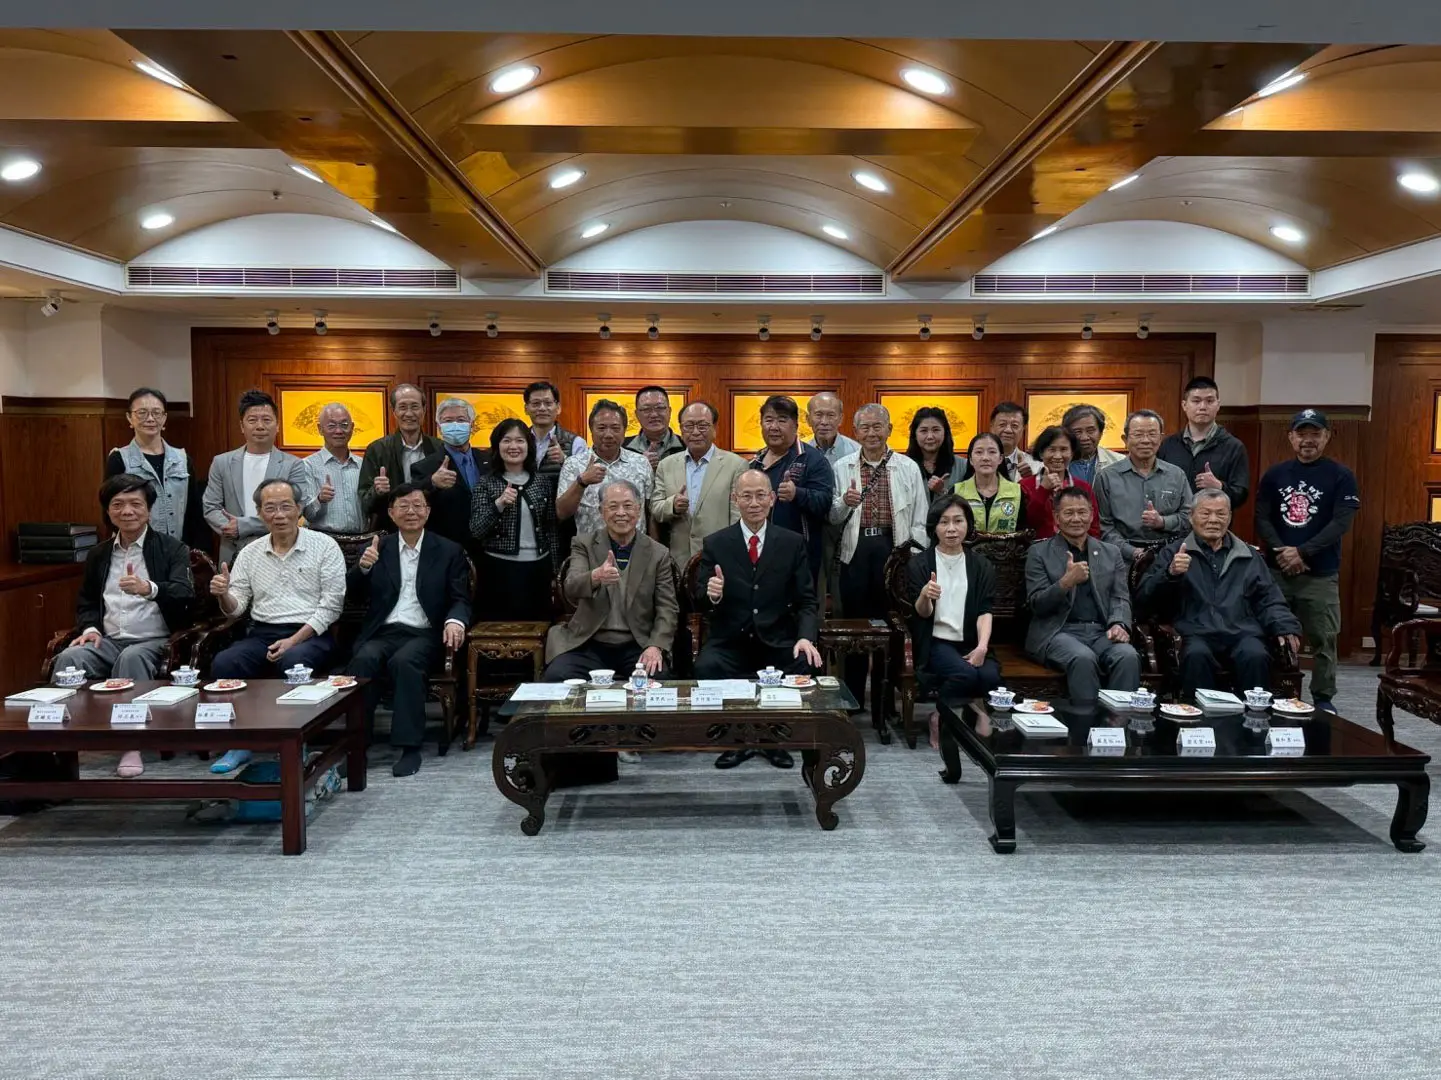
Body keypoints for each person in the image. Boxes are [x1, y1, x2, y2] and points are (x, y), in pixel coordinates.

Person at [53, 475, 195, 779]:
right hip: (108, 640)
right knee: (69, 658)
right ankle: (59, 747)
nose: (127, 511)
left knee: (131, 658)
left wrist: (149, 588)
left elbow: (184, 592)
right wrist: (90, 629)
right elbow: (87, 601)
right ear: (108, 511)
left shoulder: (172, 548)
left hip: (154, 640)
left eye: (135, 504)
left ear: (149, 510)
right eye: (117, 504)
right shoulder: (99, 554)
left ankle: (131, 744)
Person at [207, 478, 347, 773]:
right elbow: (237, 607)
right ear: (260, 514)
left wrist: (293, 641)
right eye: (270, 508)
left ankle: (296, 742)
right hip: (263, 633)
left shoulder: (324, 546)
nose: (279, 515)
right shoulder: (250, 552)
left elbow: (331, 607)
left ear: (299, 508)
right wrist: (223, 595)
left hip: (312, 633)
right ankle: (239, 743)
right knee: (226, 661)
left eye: (286, 506)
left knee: (294, 661)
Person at [695, 471, 824, 770]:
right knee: (706, 666)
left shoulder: (791, 543)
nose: (754, 503)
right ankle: (736, 737)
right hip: (731, 640)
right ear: (735, 500)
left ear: (772, 499)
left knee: (804, 661)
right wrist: (712, 594)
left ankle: (772, 737)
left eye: (760, 495)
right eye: (746, 496)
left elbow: (807, 600)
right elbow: (699, 598)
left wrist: (805, 637)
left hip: (777, 639)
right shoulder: (716, 543)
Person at [346, 483, 471, 777]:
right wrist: (363, 569)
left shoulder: (448, 550)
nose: (411, 511)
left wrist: (455, 621)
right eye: (403, 506)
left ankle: (409, 747)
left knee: (405, 662)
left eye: (417, 505)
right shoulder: (378, 548)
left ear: (428, 511)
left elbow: (460, 598)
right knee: (363, 661)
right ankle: (356, 747)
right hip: (384, 631)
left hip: (424, 632)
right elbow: (353, 595)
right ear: (391, 513)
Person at [1138, 490, 1301, 700]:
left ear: (1230, 517)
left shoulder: (1249, 555)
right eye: (1206, 513)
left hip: (1241, 632)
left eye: (1221, 514)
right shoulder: (1173, 552)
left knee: (1255, 655)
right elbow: (1144, 600)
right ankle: (1199, 718)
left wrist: (1285, 626)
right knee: (1196, 655)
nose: (1213, 520)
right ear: (1191, 517)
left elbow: (1269, 599)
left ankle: (1254, 717)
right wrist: (1170, 574)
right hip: (1195, 632)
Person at [1254, 409, 1360, 712]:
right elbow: (1262, 518)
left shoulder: (1341, 476)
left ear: (1326, 437)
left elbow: (1341, 523)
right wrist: (1283, 551)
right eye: (1302, 434)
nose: (1308, 440)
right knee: (1268, 635)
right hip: (1277, 572)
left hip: (1320, 574)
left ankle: (1323, 698)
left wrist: (1302, 552)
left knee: (1324, 639)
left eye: (1315, 434)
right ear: (1291, 437)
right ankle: (1270, 692)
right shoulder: (1275, 474)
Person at [830, 404, 929, 704]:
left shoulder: (907, 466)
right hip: (855, 551)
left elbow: (920, 517)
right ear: (855, 432)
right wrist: (844, 502)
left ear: (889, 430)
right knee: (856, 627)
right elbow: (832, 517)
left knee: (892, 624)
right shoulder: (842, 466)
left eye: (877, 426)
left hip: (894, 551)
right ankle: (853, 697)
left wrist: (912, 556)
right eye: (865, 427)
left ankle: (886, 701)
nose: (871, 433)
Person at [544, 480, 678, 684]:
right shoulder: (584, 544)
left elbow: (667, 607)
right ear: (601, 511)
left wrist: (655, 646)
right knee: (556, 677)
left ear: (639, 509)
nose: (621, 513)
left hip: (636, 643)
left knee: (658, 679)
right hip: (589, 642)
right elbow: (571, 586)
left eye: (628, 506)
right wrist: (596, 576)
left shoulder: (658, 553)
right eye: (613, 506)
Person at [1024, 487, 1141, 704]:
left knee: (1127, 656)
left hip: (1100, 632)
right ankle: (1085, 721)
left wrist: (1119, 624)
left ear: (1092, 515)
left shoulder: (1110, 552)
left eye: (1082, 512)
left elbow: (1120, 597)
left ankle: (1119, 722)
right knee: (1083, 658)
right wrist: (1065, 583)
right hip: (1058, 632)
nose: (1076, 519)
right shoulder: (1039, 552)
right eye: (1068, 513)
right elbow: (1037, 604)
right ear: (1056, 517)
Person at [905, 494, 1001, 735]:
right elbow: (922, 613)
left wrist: (982, 647)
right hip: (937, 642)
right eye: (944, 522)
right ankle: (940, 715)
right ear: (934, 527)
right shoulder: (920, 564)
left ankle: (972, 712)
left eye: (958, 521)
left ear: (968, 524)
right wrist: (925, 595)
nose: (951, 529)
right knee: (964, 674)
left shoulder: (981, 565)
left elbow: (985, 611)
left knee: (990, 676)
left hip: (971, 641)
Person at [202, 389, 310, 566]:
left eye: (266, 420)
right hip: (233, 549)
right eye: (252, 420)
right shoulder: (222, 462)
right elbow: (210, 506)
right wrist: (230, 528)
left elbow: (298, 507)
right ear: (242, 426)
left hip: (280, 548)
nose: (260, 426)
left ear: (277, 425)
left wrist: (243, 526)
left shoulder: (293, 464)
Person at [469, 419, 561, 621]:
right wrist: (499, 505)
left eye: (520, 440)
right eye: (506, 440)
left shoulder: (542, 482)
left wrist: (554, 572)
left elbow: (551, 530)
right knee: (499, 629)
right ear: (497, 446)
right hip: (498, 571)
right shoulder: (486, 483)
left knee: (539, 627)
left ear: (529, 445)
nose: (513, 446)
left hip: (538, 569)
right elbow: (476, 529)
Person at [750, 394, 834, 584]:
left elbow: (825, 502)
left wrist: (797, 493)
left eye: (782, 420)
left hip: (800, 555)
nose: (774, 427)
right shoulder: (755, 462)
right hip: (759, 554)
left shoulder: (812, 459)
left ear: (796, 426)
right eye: (768, 420)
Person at [649, 401, 745, 564]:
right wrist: (672, 505)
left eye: (702, 426)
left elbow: (738, 517)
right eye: (689, 426)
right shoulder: (666, 465)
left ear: (714, 428)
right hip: (678, 559)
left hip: (720, 557)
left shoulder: (736, 465)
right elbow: (655, 508)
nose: (695, 432)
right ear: (681, 429)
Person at [1093, 409, 1194, 561]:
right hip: (1122, 558)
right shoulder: (1106, 477)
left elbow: (1190, 517)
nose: (1146, 440)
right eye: (1138, 434)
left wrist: (1163, 522)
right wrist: (1133, 552)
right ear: (1125, 439)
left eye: (1152, 434)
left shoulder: (1176, 475)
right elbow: (1103, 526)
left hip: (1168, 555)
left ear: (1161, 438)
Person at [105, 387, 202, 544]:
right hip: (135, 548)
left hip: (178, 548)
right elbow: (110, 511)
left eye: (156, 413)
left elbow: (194, 511)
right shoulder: (119, 459)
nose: (150, 419)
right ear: (129, 418)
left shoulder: (182, 459)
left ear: (164, 418)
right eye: (142, 413)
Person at [557, 399, 654, 535]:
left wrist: (652, 545)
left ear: (624, 430)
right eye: (601, 428)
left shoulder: (641, 462)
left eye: (615, 428)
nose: (608, 435)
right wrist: (581, 482)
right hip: (590, 546)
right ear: (591, 430)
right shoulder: (573, 464)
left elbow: (651, 512)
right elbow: (562, 513)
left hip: (636, 546)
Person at [1158, 375, 1251, 511]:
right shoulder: (1168, 445)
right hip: (1174, 521)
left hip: (1213, 521)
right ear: (1184, 405)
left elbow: (1241, 494)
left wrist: (1219, 487)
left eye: (1209, 401)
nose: (1202, 407)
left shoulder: (1233, 447)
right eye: (1196, 401)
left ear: (1218, 405)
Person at [411, 397, 490, 557]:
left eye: (461, 420)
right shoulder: (424, 467)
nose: (455, 425)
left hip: (488, 548)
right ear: (439, 428)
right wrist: (432, 483)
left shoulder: (490, 460)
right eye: (448, 421)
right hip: (446, 550)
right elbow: (415, 503)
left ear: (472, 425)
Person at [358, 383, 441, 525]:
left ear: (424, 409)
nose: (409, 413)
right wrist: (377, 491)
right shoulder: (377, 449)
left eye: (415, 407)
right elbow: (365, 503)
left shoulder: (439, 448)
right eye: (402, 407)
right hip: (390, 528)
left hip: (432, 527)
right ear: (394, 411)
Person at [1019, 426, 1101, 540]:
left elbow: (1094, 528)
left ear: (1072, 453)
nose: (1058, 456)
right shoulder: (1024, 485)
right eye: (1052, 450)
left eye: (1063, 449)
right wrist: (1043, 490)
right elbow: (1027, 524)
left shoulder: (1083, 487)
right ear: (1041, 453)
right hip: (1037, 548)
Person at [301, 403, 365, 535]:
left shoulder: (363, 464)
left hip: (362, 540)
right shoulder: (307, 465)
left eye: (344, 425)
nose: (339, 431)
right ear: (320, 429)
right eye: (331, 426)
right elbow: (307, 514)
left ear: (352, 428)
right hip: (322, 540)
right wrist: (320, 500)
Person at [953, 432, 1024, 533]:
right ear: (971, 460)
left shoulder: (1017, 492)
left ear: (1000, 458)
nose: (985, 458)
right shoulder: (957, 492)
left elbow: (1023, 533)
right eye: (979, 452)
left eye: (992, 452)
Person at [524, 380, 586, 480]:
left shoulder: (576, 443)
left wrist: (564, 461)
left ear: (558, 408)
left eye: (548, 403)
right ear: (526, 409)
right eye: (536, 403)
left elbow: (585, 480)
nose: (542, 408)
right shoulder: (519, 440)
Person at [906, 407, 966, 499]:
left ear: (945, 433)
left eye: (936, 430)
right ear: (915, 434)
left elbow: (967, 503)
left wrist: (942, 491)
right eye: (924, 431)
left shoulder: (963, 466)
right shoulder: (904, 466)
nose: (930, 436)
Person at [1062, 404, 1124, 486]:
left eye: (1090, 431)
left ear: (1101, 433)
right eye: (1077, 432)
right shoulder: (1054, 462)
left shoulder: (1119, 461)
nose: (1084, 437)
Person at [624, 386, 684, 467]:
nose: (654, 414)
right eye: (646, 409)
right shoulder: (622, 448)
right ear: (637, 414)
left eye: (660, 408)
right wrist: (638, 466)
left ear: (669, 411)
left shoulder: (686, 446)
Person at [805, 391, 860, 464]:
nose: (824, 422)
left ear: (841, 419)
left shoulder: (856, 452)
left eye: (831, 415)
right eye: (818, 415)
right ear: (808, 419)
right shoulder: (801, 452)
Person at [990, 401, 1039, 480]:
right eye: (1002, 424)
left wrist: (1030, 480)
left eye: (1014, 425)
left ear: (1023, 430)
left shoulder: (1036, 466)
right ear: (992, 427)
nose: (1008, 430)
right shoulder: (976, 463)